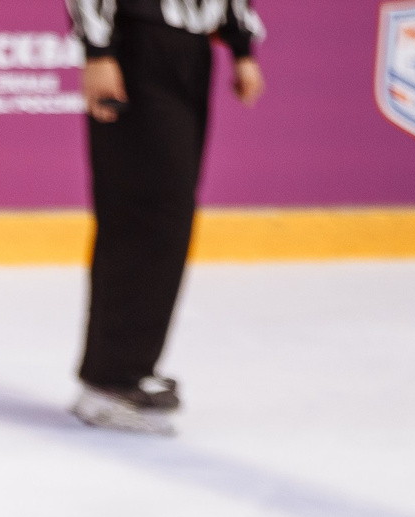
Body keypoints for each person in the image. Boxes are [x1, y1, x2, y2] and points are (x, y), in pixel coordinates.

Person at [62, 0, 265, 434]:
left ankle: (128, 368)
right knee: (142, 213)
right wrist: (98, 52)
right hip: (135, 46)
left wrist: (241, 47)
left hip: (190, 51)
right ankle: (110, 381)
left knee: (168, 216)